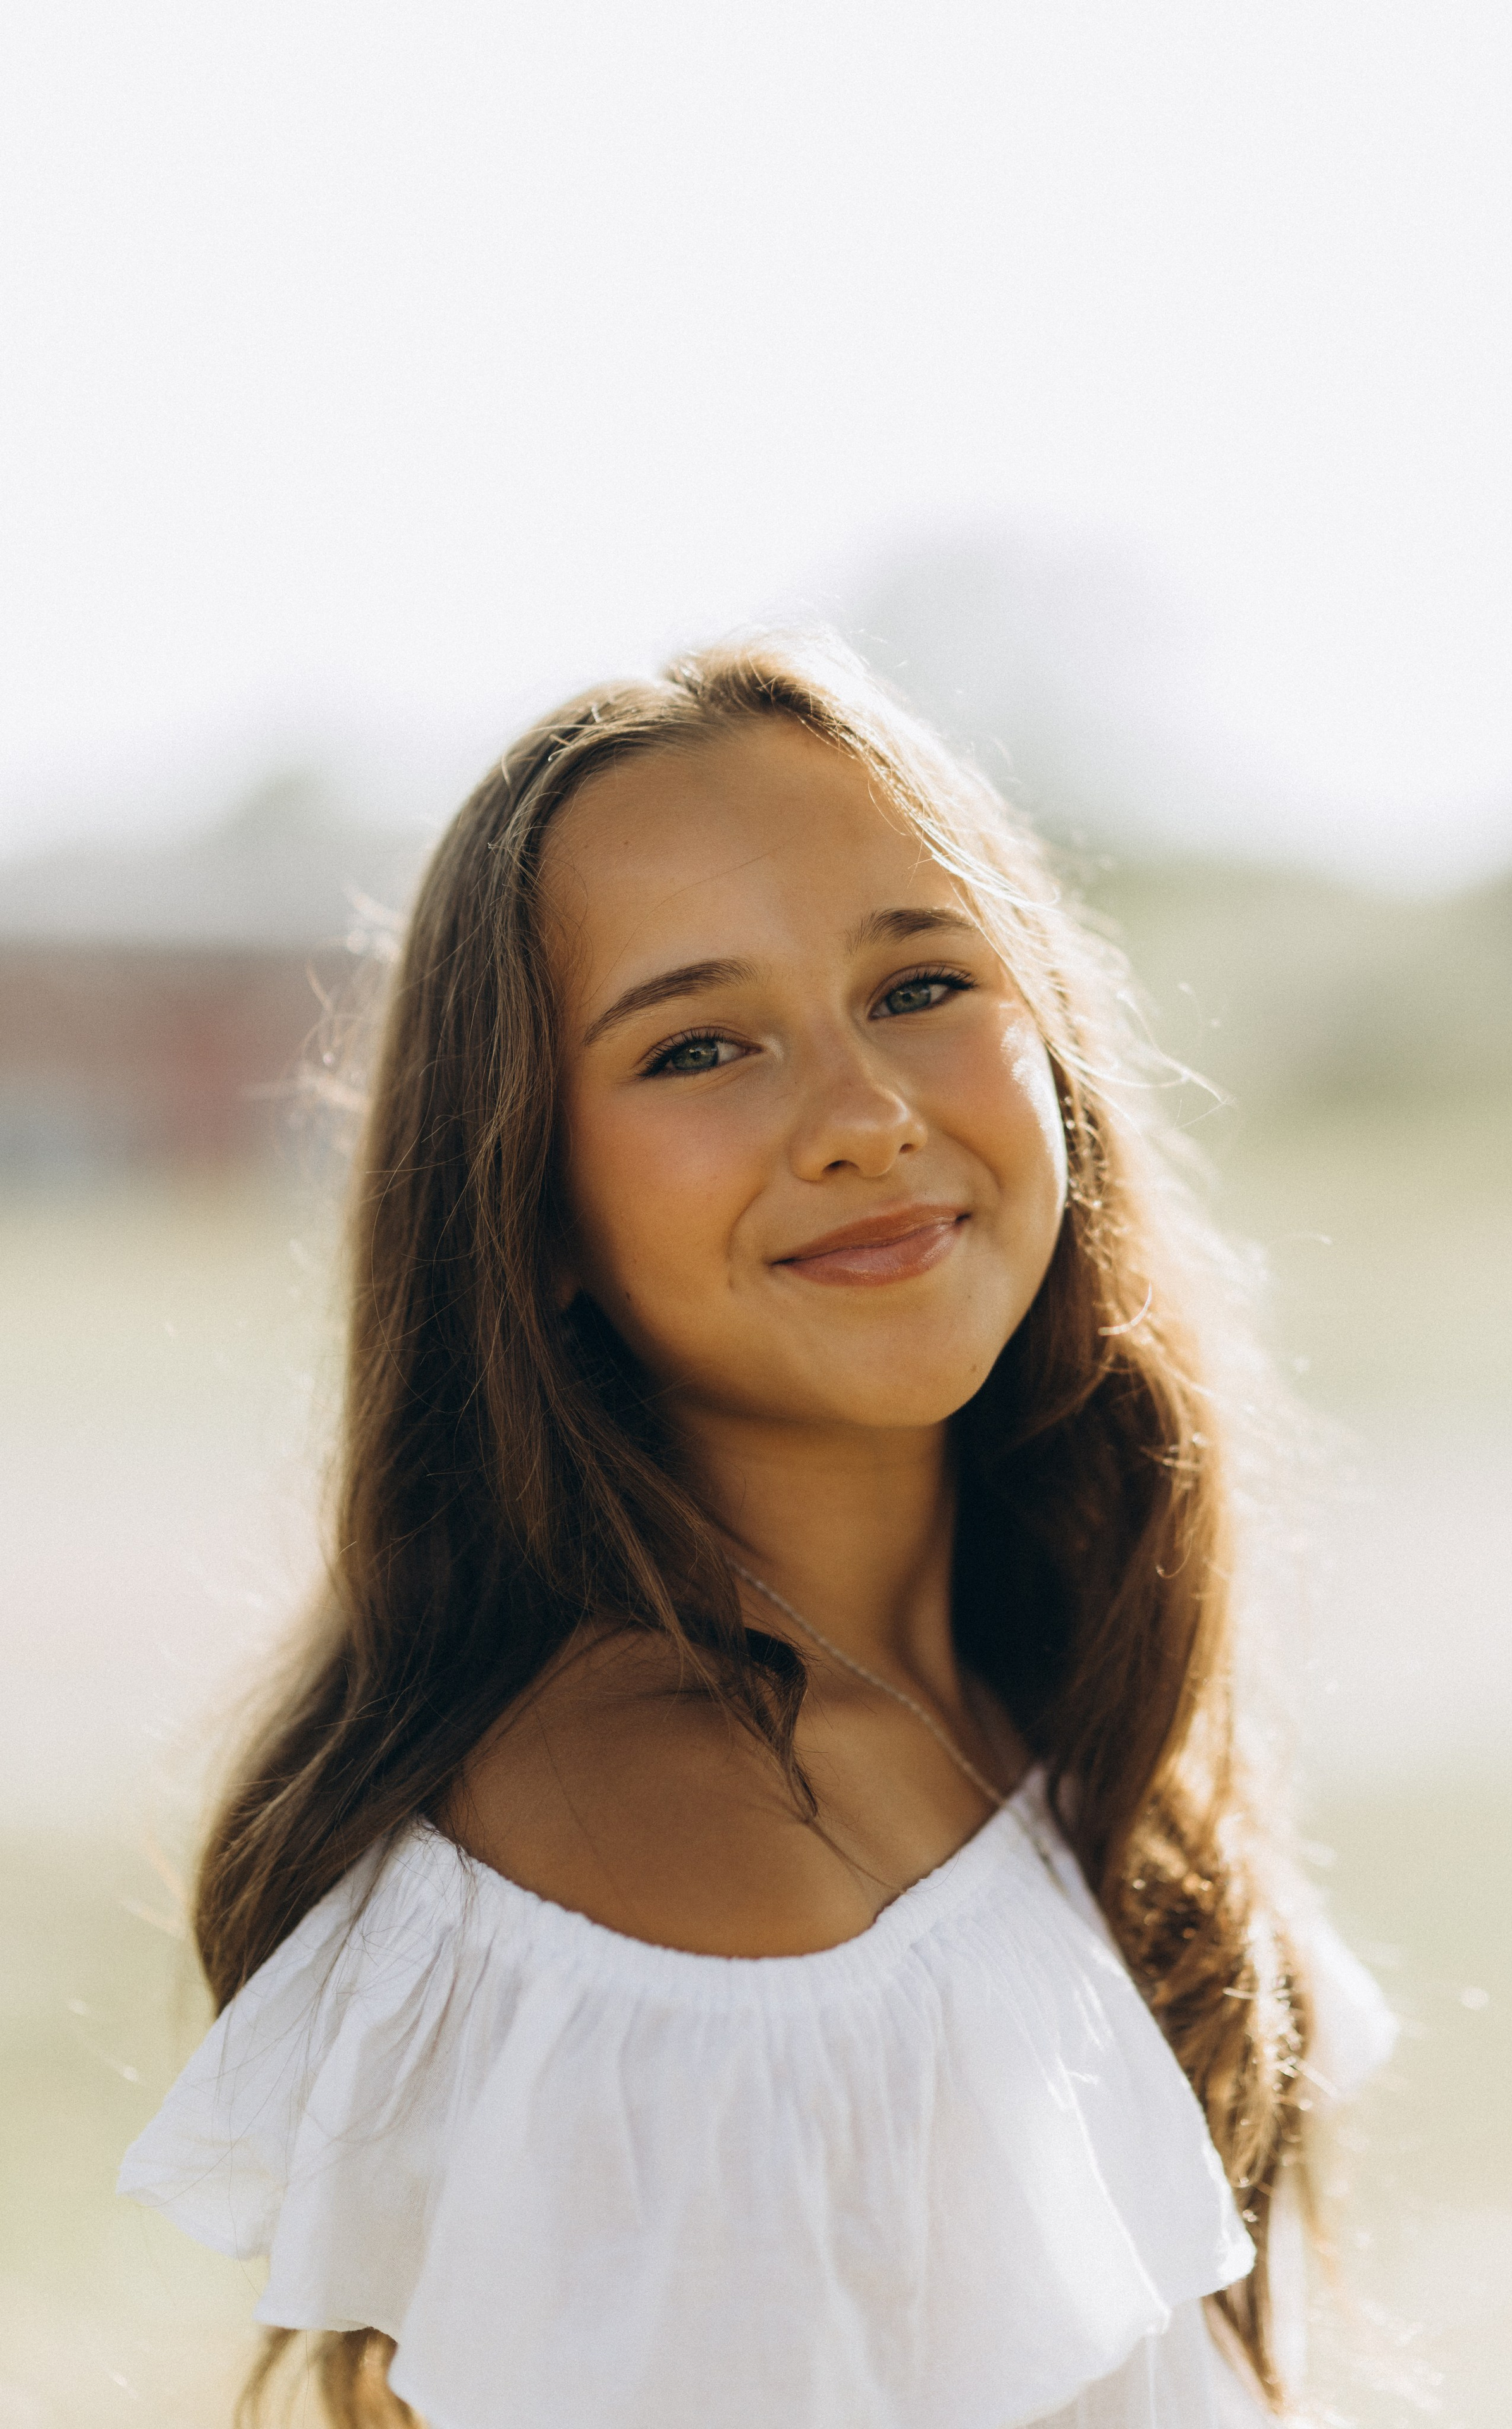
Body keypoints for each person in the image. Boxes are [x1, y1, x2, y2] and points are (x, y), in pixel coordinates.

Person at [120, 637, 1391, 2428]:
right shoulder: (681, 1896)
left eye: (921, 983)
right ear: (531, 1206)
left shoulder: (1034, 1688)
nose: (866, 1119)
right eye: (699, 1046)